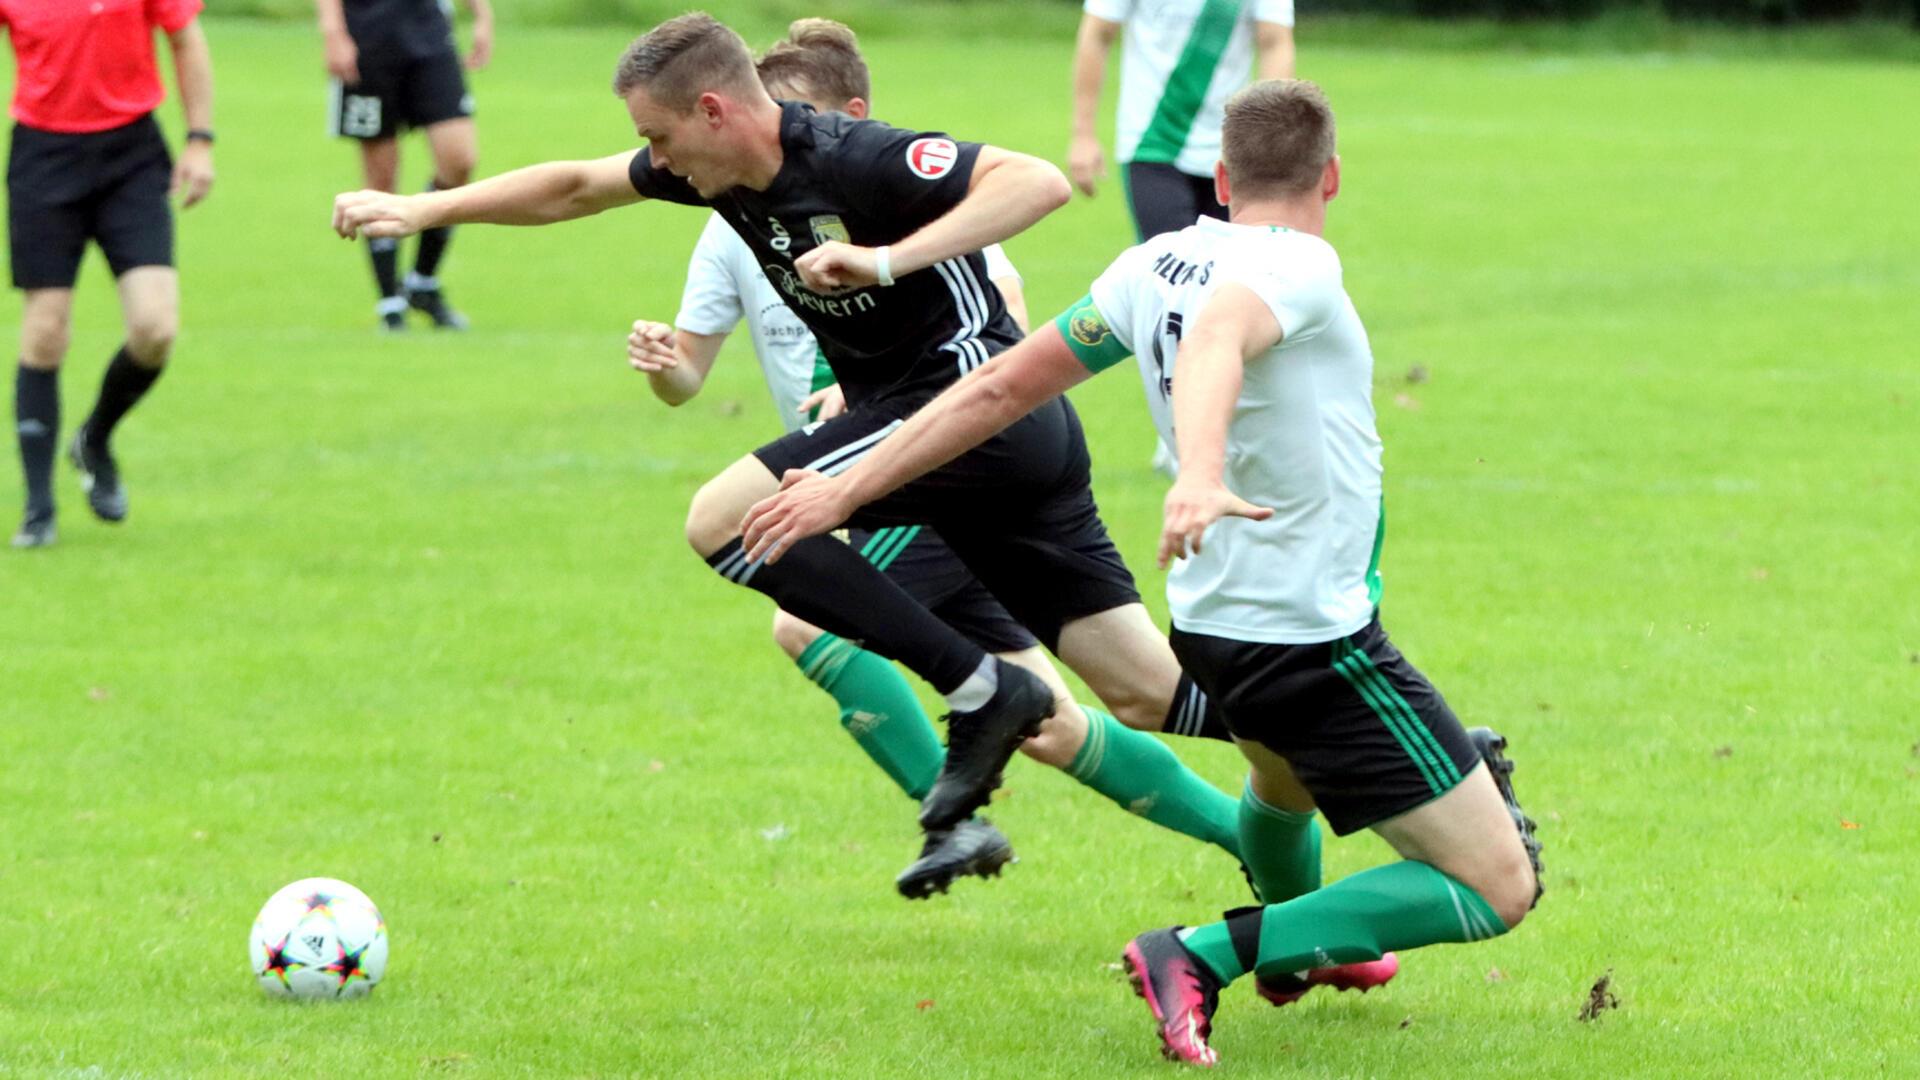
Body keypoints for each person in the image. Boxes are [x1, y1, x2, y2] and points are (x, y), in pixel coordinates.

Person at [333, 13, 1254, 891]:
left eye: (658, 137)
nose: (652, 161)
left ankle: (981, 690)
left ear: (713, 111)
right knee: (1142, 693)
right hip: (972, 441)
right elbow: (575, 185)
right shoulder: (715, 176)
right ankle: (1323, 743)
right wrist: (420, 208)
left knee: (727, 519)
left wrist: (886, 260)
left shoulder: (851, 153)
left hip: (974, 405)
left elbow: (1038, 182)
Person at [741, 79, 1544, 1066]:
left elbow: (994, 386)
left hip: (1214, 622)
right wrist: (1200, 474)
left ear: (1218, 178)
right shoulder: (1298, 266)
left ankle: (1298, 948)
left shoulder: (1154, 261)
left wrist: (846, 487)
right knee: (1497, 886)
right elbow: (1218, 339)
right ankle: (1205, 955)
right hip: (1313, 638)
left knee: (1281, 780)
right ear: (1331, 177)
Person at [631, 18, 1243, 899]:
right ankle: (1351, 775)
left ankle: (954, 807)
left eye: (806, 121)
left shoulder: (895, 189)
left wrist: (885, 338)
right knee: (1119, 703)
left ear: (852, 117)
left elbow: (1000, 312)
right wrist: (667, 363)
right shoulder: (727, 215)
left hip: (929, 457)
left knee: (796, 603)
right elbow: (687, 366)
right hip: (886, 469)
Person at [5, 0, 216, 549]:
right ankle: (38, 508)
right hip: (43, 157)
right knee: (46, 328)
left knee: (155, 329)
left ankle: (94, 437)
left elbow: (186, 38)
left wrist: (200, 139)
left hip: (132, 155)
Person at [316, 0, 490, 331]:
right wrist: (333, 31)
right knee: (380, 176)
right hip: (366, 32)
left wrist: (481, 13)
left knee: (459, 160)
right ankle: (390, 302)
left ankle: (422, 283)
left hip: (429, 28)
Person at [1070, 0, 1295, 241]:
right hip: (1152, 140)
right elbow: (1098, 33)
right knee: (1171, 267)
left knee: (1231, 268)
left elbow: (1274, 42)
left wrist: (1268, 138)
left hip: (1232, 149)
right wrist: (1083, 135)